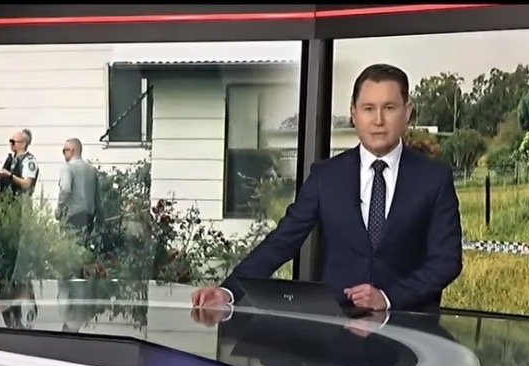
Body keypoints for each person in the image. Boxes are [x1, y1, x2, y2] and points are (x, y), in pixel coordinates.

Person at [191, 63, 463, 316]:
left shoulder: (434, 179)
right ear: (354, 113)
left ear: (408, 111)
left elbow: (447, 261)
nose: (378, 120)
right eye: (368, 108)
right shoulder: (327, 176)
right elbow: (283, 240)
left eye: (389, 108)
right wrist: (229, 290)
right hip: (338, 328)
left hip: (410, 326)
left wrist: (389, 297)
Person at [57, 138, 100, 233]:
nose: (63, 154)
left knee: (70, 241)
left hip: (72, 217)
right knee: (85, 241)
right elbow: (97, 197)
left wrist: (59, 210)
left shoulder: (67, 168)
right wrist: (100, 219)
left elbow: (65, 190)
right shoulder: (91, 170)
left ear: (71, 150)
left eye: (64, 150)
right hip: (89, 217)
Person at [0, 128, 39, 198]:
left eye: (13, 142)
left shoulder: (28, 161)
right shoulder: (11, 159)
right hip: (7, 199)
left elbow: (27, 184)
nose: (11, 144)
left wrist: (10, 176)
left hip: (20, 201)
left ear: (23, 144)